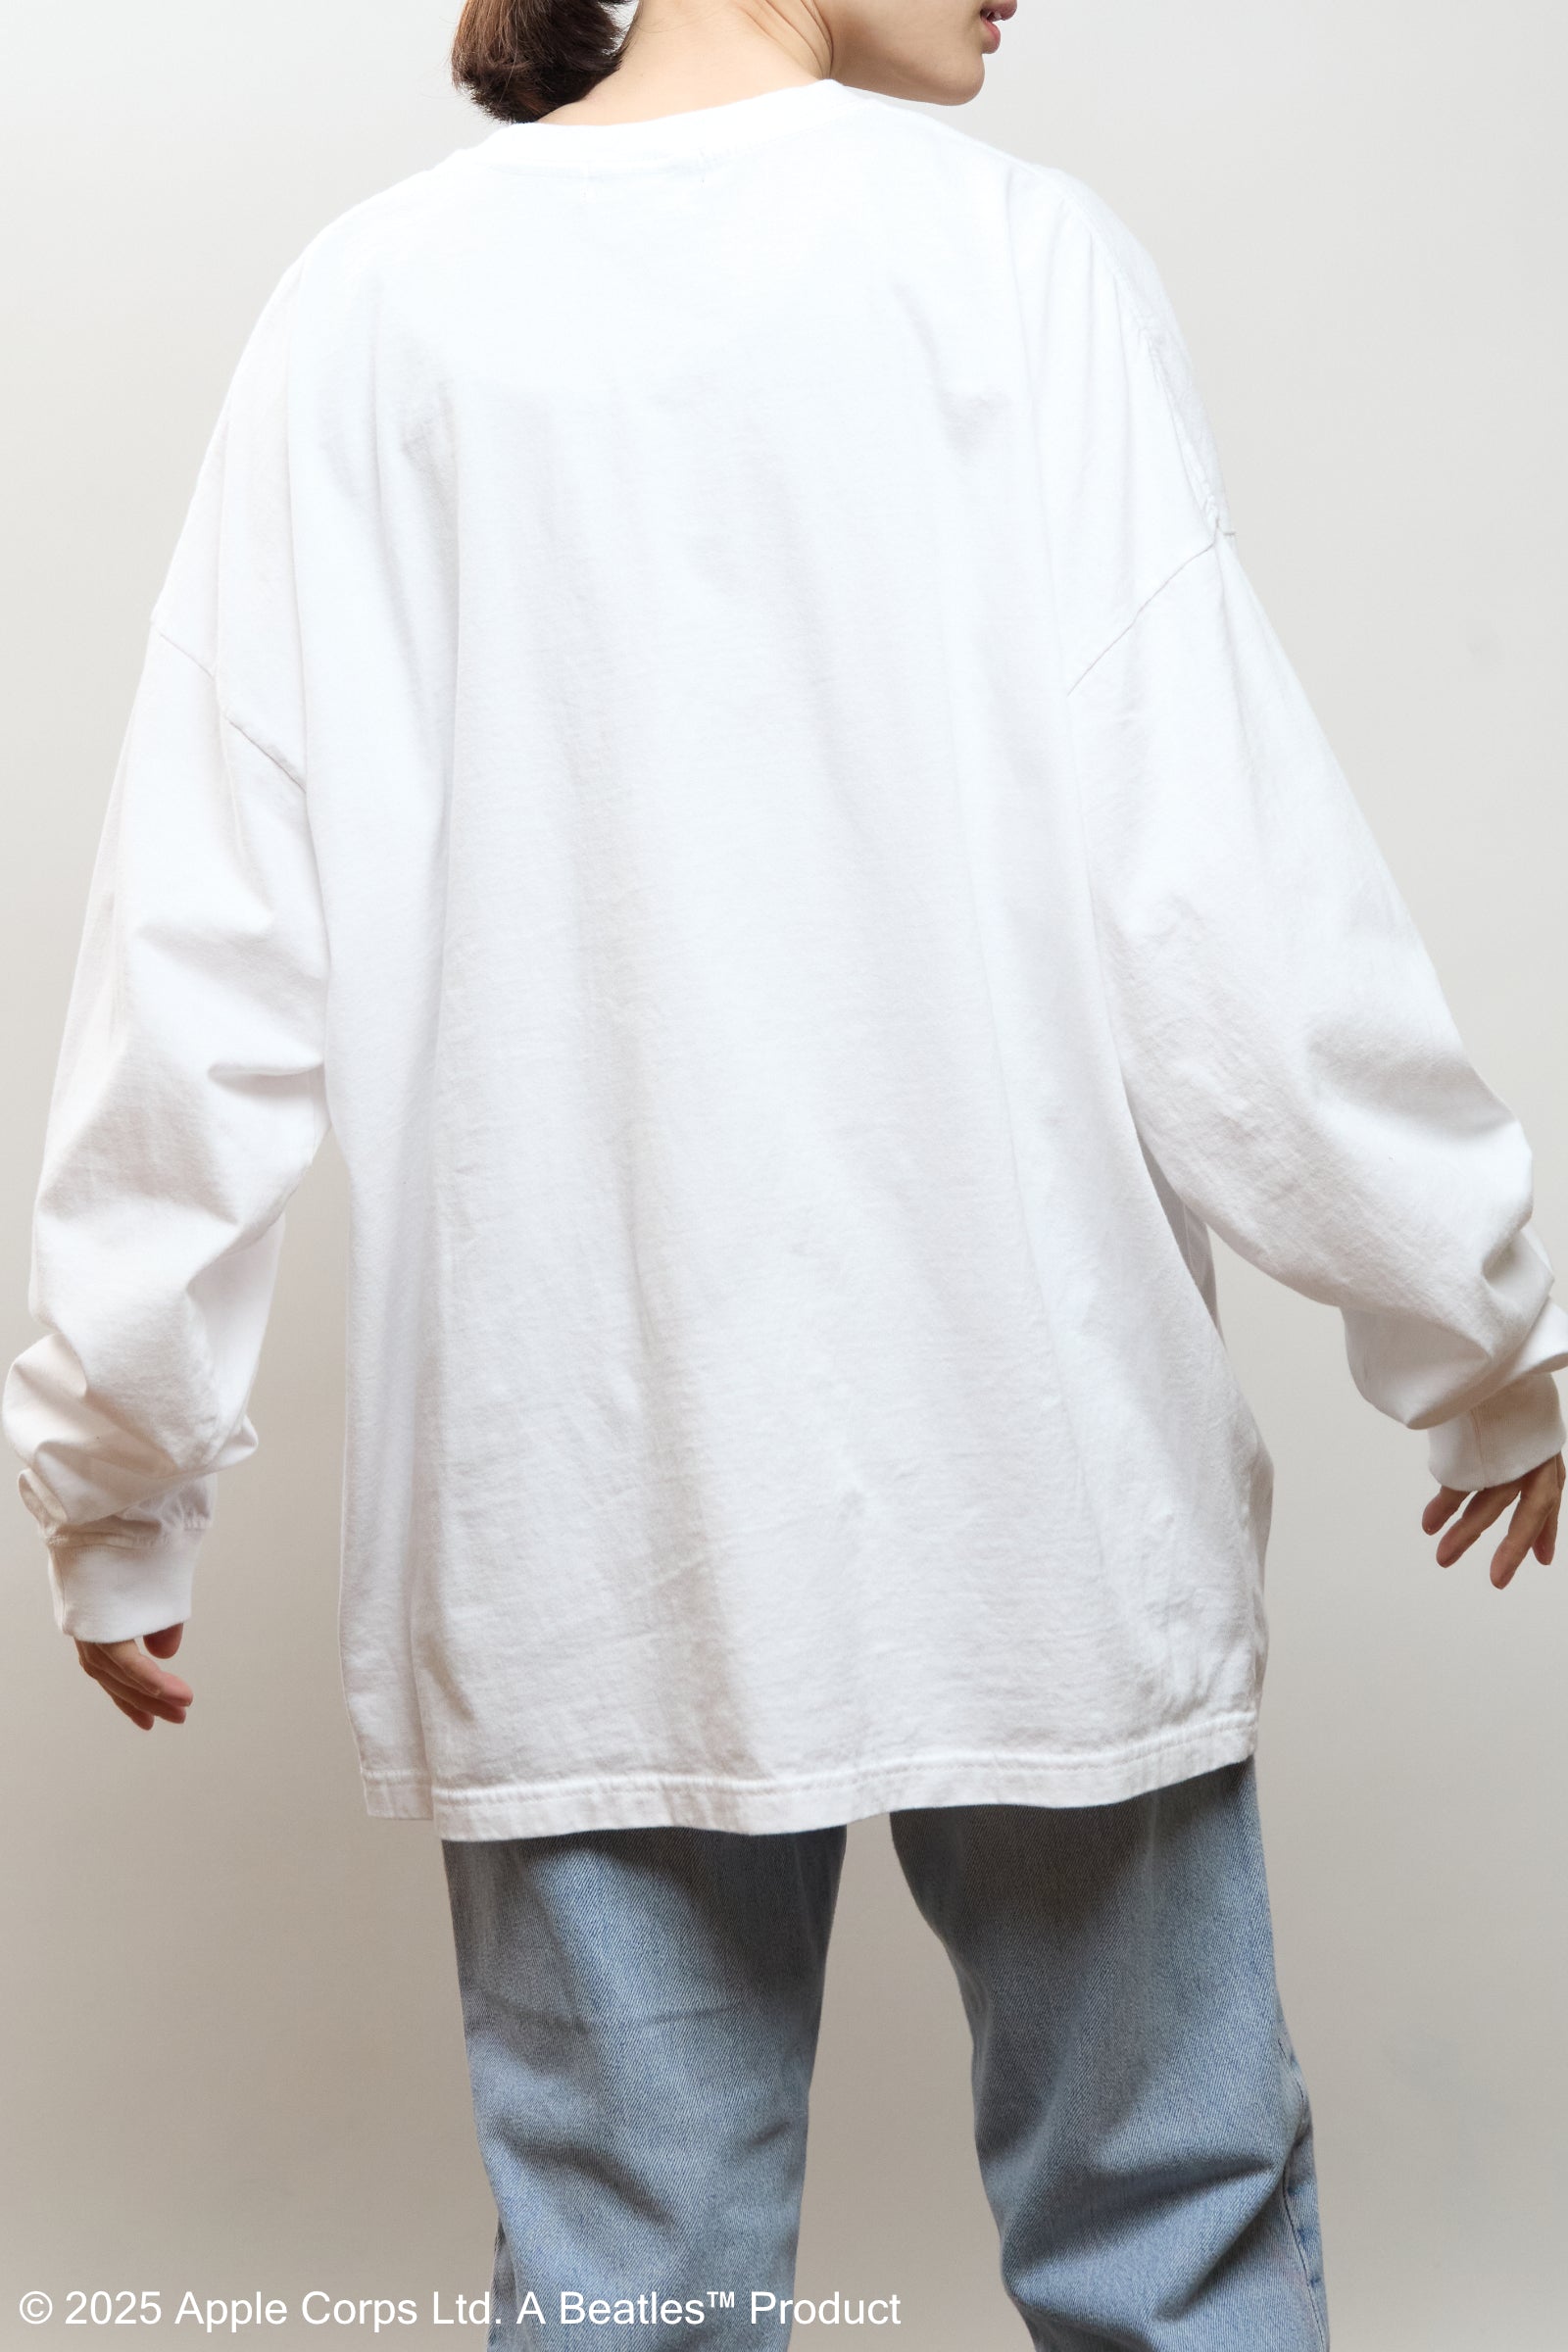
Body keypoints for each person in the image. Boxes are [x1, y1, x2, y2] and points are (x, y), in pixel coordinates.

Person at [6, 1, 1565, 2344]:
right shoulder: (1014, 261)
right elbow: (1224, 895)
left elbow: (203, 937)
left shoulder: (373, 309)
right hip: (1032, 1487)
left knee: (627, 2288)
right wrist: (1472, 1317)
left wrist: (116, 1456)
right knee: (1173, 2243)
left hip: (573, 1511)